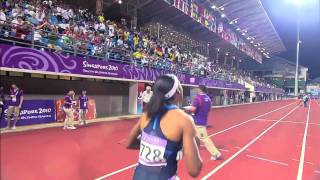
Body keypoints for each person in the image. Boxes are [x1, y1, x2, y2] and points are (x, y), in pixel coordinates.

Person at [127, 74, 202, 179]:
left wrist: (155, 145)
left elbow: (129, 144)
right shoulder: (184, 120)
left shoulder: (147, 114)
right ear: (177, 92)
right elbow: (194, 170)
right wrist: (196, 142)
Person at [184, 85, 221, 160]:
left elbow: (193, 109)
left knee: (204, 138)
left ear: (200, 90)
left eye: (197, 89)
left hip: (198, 122)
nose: (197, 90)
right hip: (203, 120)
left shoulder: (198, 98)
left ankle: (216, 153)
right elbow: (209, 109)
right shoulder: (208, 98)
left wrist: (186, 108)